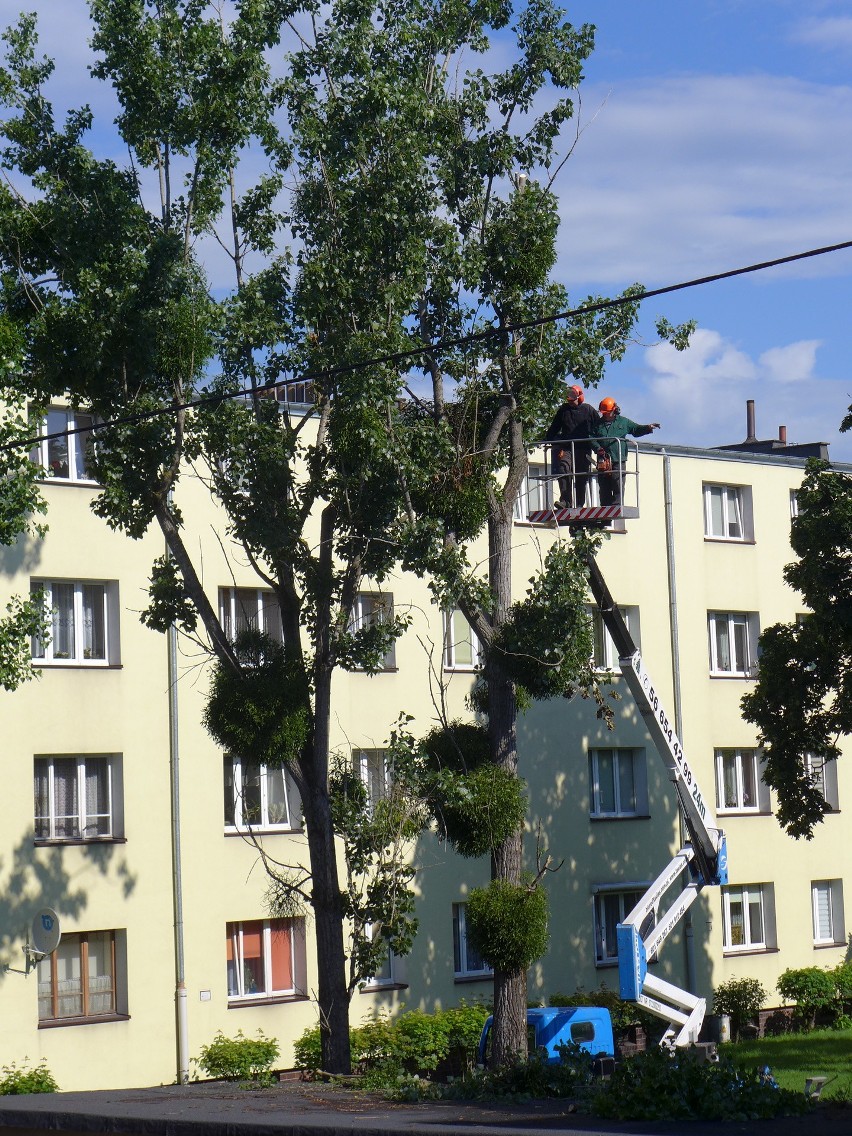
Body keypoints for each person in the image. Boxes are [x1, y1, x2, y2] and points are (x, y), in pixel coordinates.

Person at [594, 397, 660, 506]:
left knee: (618, 482)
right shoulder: (597, 424)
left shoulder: (623, 422)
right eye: (603, 413)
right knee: (604, 484)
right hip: (603, 459)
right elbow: (591, 437)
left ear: (614, 410)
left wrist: (648, 428)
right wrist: (597, 448)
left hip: (618, 458)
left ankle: (617, 505)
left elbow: (636, 429)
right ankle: (605, 506)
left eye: (607, 413)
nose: (605, 415)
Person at [545, 384, 600, 507]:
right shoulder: (563, 410)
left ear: (580, 397)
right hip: (567, 447)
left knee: (581, 476)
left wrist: (600, 445)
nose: (571, 402)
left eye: (573, 399)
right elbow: (555, 426)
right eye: (569, 400)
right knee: (563, 468)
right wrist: (548, 439)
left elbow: (599, 428)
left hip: (583, 448)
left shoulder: (589, 410)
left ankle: (580, 504)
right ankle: (566, 501)